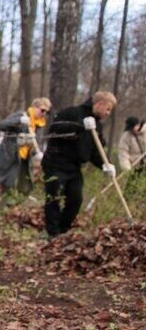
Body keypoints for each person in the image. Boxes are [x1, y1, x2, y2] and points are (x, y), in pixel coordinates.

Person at [42, 91, 117, 238]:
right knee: (54, 198)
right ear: (100, 104)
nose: (108, 113)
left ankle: (63, 230)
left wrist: (105, 164)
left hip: (74, 168)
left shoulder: (97, 126)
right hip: (55, 163)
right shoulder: (71, 113)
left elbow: (95, 151)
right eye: (108, 109)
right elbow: (55, 129)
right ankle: (53, 233)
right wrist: (80, 126)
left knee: (76, 199)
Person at [0, 98, 52, 206]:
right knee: (9, 183)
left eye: (47, 112)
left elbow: (36, 141)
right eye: (42, 110)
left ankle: (17, 206)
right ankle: (3, 208)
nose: (44, 114)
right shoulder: (22, 115)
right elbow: (2, 125)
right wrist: (18, 121)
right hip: (12, 155)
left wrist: (38, 153)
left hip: (26, 159)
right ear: (35, 107)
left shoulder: (40, 124)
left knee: (26, 185)